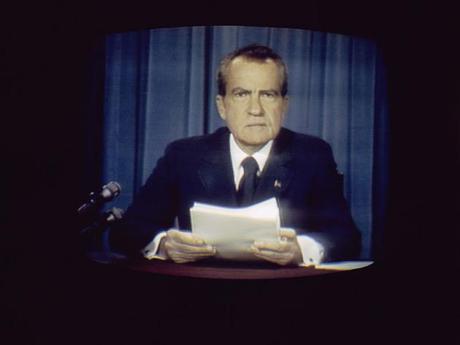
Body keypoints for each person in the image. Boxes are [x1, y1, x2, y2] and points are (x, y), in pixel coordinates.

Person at [109, 44, 361, 266]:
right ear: (222, 105)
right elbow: (126, 231)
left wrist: (301, 250)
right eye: (242, 94)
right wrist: (164, 245)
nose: (255, 109)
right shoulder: (183, 155)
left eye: (268, 94)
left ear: (284, 105)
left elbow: (346, 238)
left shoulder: (312, 155)